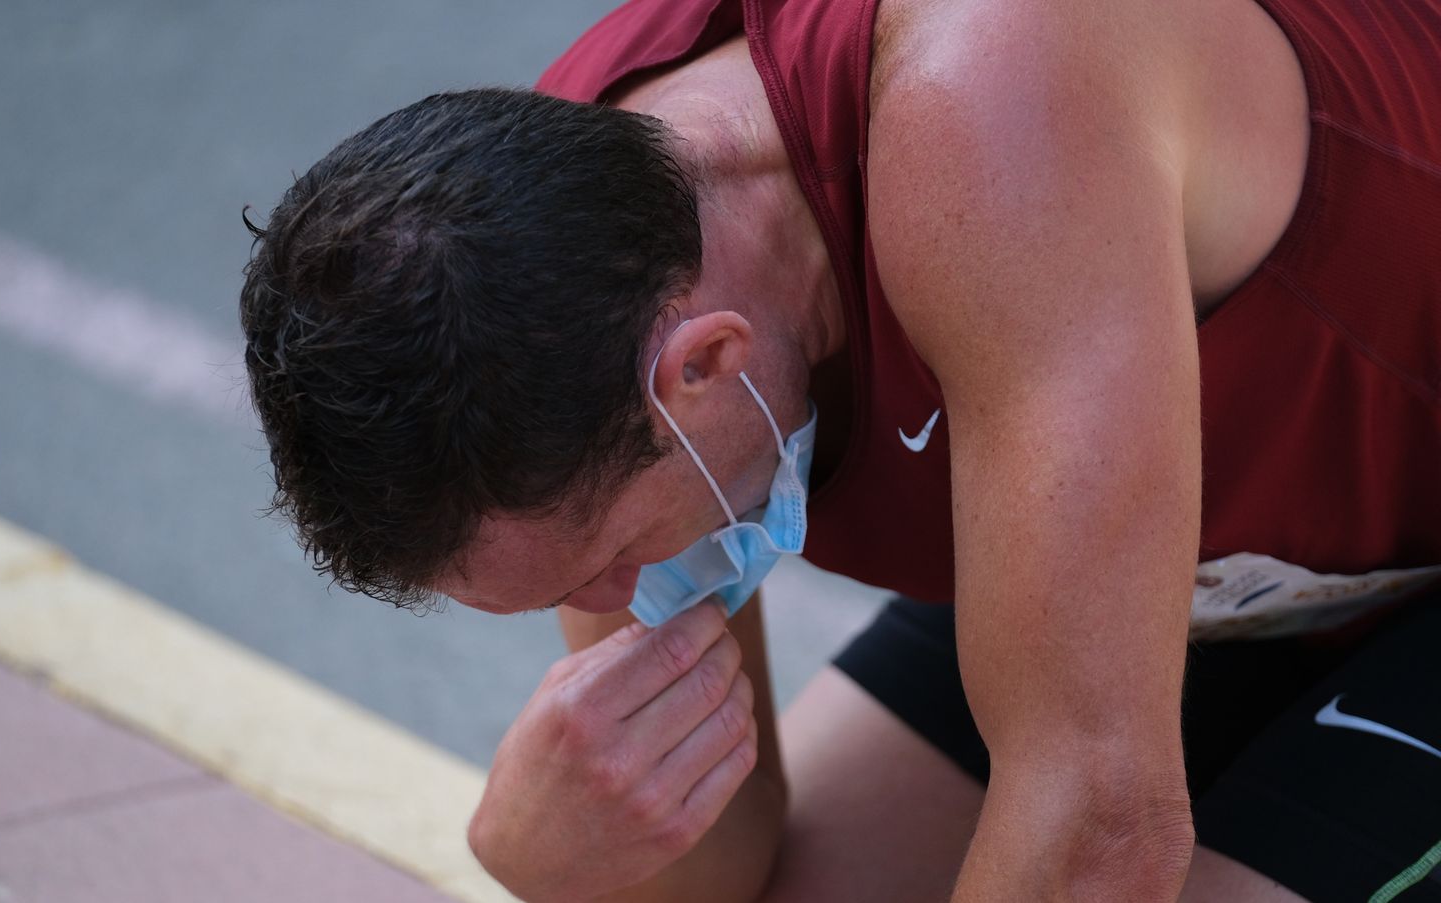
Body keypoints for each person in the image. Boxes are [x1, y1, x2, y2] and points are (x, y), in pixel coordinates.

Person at [237, 0, 1441, 898]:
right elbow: (735, 861)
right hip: (1213, 545)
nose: (610, 608)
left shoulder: (997, 117)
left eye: (595, 567)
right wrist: (575, 865)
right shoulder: (561, 276)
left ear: (701, 366)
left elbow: (1100, 828)